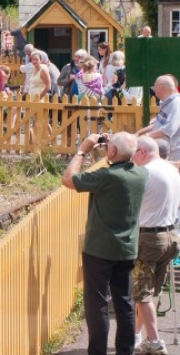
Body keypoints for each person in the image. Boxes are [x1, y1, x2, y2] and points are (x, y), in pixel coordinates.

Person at [61, 132, 147, 355]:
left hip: (99, 250)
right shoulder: (141, 175)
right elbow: (123, 159)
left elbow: (68, 179)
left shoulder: (107, 177)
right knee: (125, 304)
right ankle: (125, 351)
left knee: (97, 305)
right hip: (127, 249)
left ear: (112, 152)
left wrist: (83, 150)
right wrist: (113, 147)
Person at [130, 135, 180, 355]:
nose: (132, 158)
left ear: (142, 152)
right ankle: (135, 337)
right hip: (170, 236)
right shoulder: (170, 170)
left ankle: (155, 341)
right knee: (150, 293)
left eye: (133, 153)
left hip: (149, 239)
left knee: (141, 294)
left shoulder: (146, 172)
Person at [137, 75, 180, 161]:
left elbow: (169, 128)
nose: (153, 88)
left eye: (155, 86)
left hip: (173, 154)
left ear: (162, 88)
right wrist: (138, 133)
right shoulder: (167, 103)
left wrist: (147, 136)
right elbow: (157, 124)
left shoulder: (176, 104)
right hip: (166, 152)